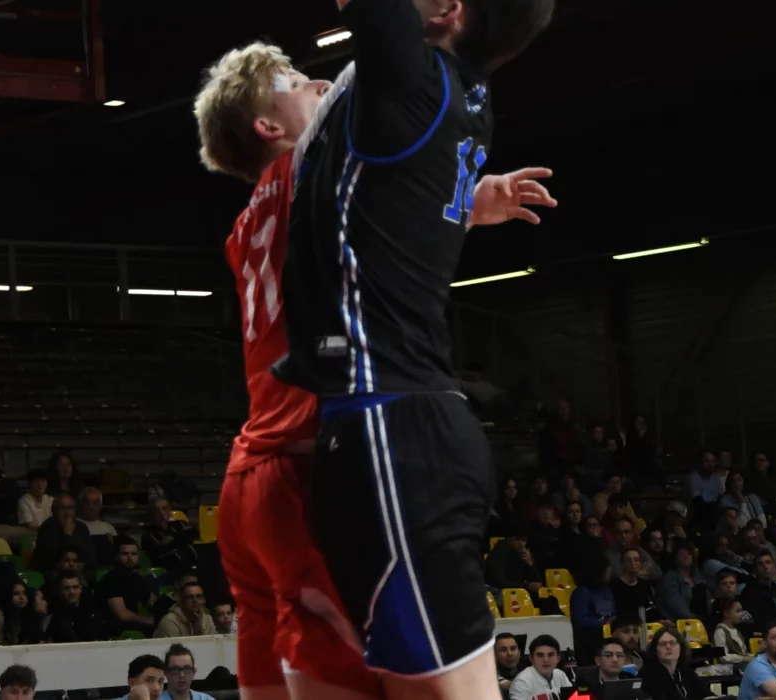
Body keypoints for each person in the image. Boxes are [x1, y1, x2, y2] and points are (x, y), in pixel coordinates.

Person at [198, 19, 554, 700]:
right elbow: (383, 207)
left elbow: (367, 232)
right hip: (305, 453)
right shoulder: (313, 168)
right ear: (268, 127)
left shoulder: (247, 223)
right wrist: (462, 192)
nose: (318, 83)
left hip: (248, 473)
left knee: (274, 675)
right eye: (296, 82)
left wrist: (465, 203)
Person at [639, 624, 708, 700]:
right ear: (655, 650)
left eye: (672, 643)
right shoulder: (648, 674)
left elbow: (705, 693)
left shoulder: (685, 671)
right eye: (662, 644)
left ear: (681, 647)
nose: (668, 647)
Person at [509, 635, 571, 700]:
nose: (546, 660)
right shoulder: (521, 682)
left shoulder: (560, 675)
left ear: (558, 658)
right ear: (531, 658)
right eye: (540, 655)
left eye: (550, 655)